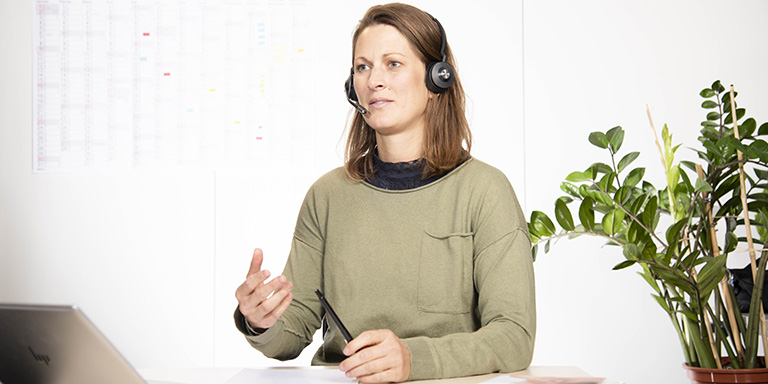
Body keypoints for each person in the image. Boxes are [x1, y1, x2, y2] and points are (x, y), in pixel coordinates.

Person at [234, 3, 535, 382]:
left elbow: (514, 336)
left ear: (436, 80)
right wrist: (261, 320)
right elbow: (294, 330)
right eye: (363, 67)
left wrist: (414, 359)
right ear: (352, 87)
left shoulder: (485, 191)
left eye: (393, 63)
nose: (375, 80)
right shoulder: (326, 196)